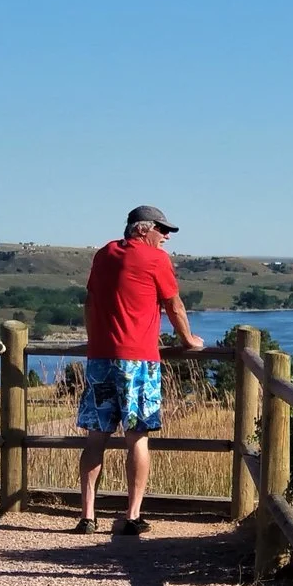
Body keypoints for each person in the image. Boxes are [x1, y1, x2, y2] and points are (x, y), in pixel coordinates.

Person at [78, 205, 203, 534]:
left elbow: (90, 303)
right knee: (137, 437)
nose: (166, 238)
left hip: (100, 359)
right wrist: (188, 339)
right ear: (142, 229)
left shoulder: (104, 254)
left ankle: (87, 517)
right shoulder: (155, 260)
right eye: (162, 230)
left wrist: (95, 343)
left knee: (96, 437)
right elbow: (173, 304)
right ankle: (132, 516)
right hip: (139, 360)